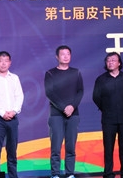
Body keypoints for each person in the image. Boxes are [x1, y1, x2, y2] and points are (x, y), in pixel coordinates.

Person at [44, 45, 84, 178]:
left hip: (73, 114)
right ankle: (55, 174)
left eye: (68, 54)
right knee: (56, 146)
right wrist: (63, 108)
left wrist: (72, 106)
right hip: (56, 115)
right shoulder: (50, 73)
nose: (66, 57)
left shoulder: (76, 72)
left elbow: (80, 91)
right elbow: (50, 93)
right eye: (63, 54)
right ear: (57, 57)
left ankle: (70, 173)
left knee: (71, 146)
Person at [92, 52, 123, 178]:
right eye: (108, 60)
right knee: (108, 148)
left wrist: (122, 106)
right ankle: (108, 173)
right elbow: (96, 97)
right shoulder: (101, 79)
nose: (110, 62)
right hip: (108, 119)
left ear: (119, 63)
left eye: (113, 60)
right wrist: (106, 108)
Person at [0, 51, 24, 178]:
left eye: (6, 61)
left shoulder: (14, 78)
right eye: (1, 61)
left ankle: (13, 176)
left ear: (10, 63)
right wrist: (2, 113)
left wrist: (14, 111)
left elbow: (19, 96)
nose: (3, 63)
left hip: (12, 118)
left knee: (12, 151)